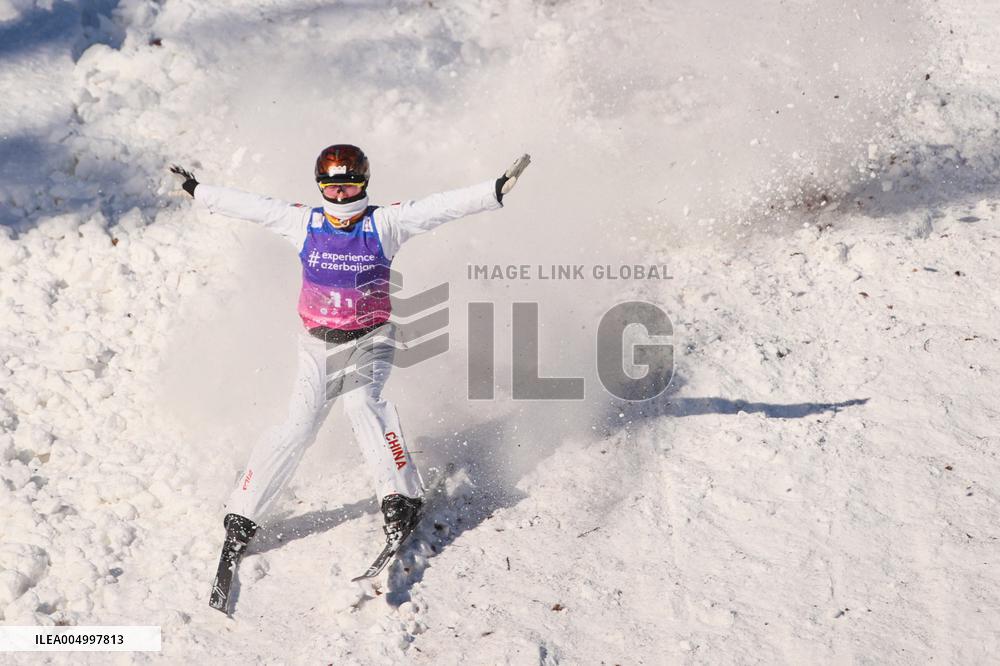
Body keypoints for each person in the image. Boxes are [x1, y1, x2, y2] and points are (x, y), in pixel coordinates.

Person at [169, 146, 530, 578]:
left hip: (370, 339)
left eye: (350, 187)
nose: (341, 199)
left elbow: (438, 208)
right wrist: (198, 190)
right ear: (320, 188)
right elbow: (255, 207)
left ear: (365, 185)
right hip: (317, 347)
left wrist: (493, 190)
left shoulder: (385, 223)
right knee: (297, 428)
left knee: (362, 405)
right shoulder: (305, 223)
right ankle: (243, 513)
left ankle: (402, 498)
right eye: (332, 188)